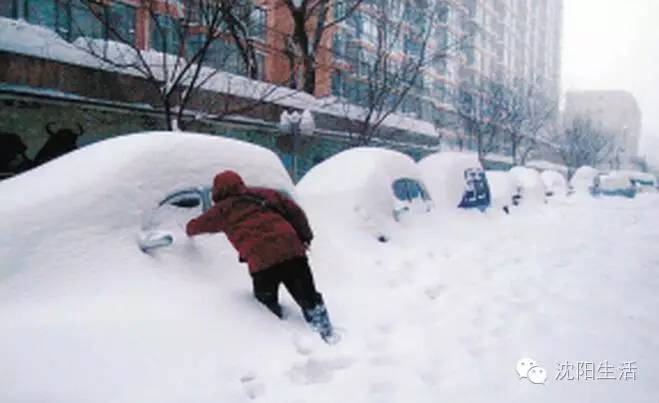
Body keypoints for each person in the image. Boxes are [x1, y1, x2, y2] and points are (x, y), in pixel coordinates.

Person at [185, 170, 335, 342]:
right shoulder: (265, 194)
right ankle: (324, 331)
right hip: (292, 250)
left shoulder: (222, 210)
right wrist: (305, 236)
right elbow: (295, 212)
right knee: (307, 295)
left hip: (263, 261)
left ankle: (276, 339)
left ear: (217, 191)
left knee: (265, 304)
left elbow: (196, 226)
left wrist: (186, 228)